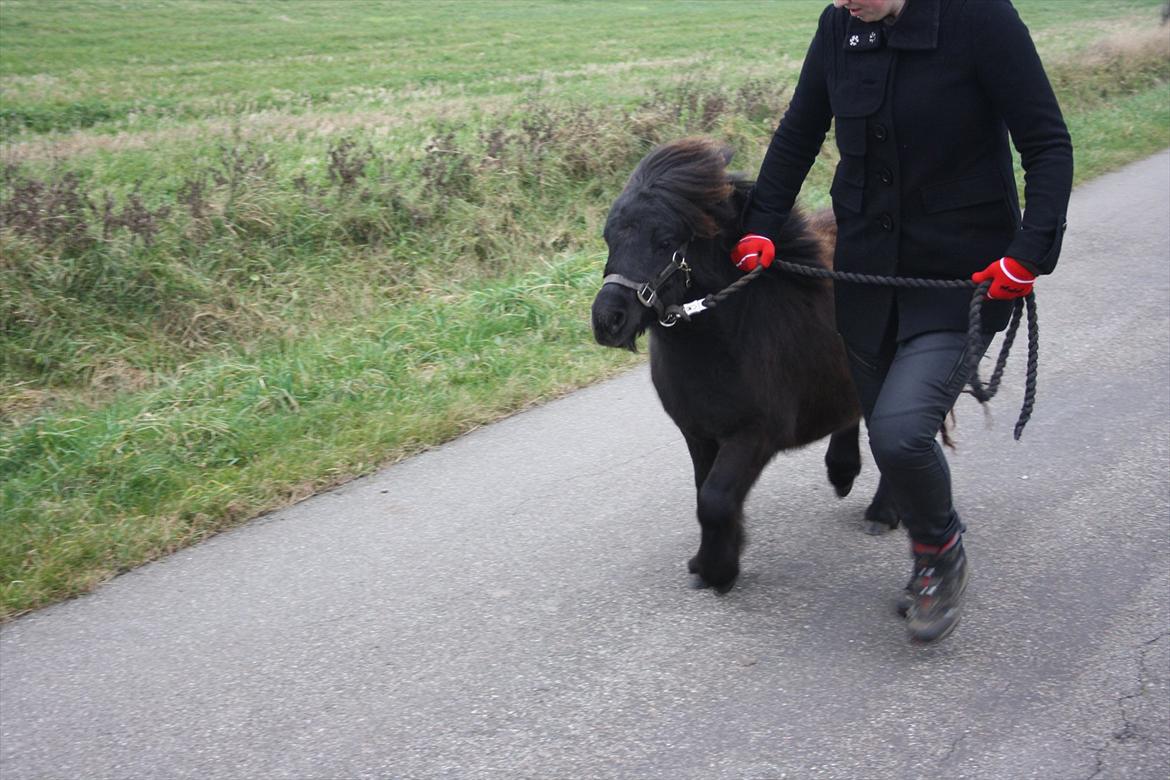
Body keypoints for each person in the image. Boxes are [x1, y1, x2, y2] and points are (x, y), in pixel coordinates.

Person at [731, 0, 1073, 642]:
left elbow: (1047, 143)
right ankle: (928, 551)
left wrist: (1029, 253)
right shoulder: (839, 25)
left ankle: (940, 553)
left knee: (899, 433)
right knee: (886, 422)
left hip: (963, 278)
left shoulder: (981, 19)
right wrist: (761, 226)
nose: (842, 0)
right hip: (865, 278)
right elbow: (800, 132)